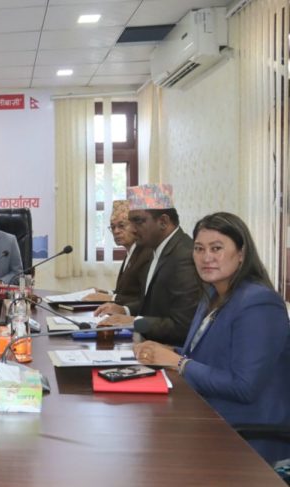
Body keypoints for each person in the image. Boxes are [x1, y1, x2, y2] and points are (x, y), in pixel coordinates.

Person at [134, 212, 290, 465]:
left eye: (216, 248)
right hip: (208, 415)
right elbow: (209, 357)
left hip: (248, 434)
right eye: (199, 249)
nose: (206, 257)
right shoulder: (212, 294)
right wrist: (166, 351)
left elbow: (244, 386)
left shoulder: (259, 303)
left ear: (241, 253)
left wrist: (177, 362)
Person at [96, 184, 200, 346]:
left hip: (167, 353)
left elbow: (182, 326)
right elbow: (153, 303)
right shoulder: (156, 248)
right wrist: (125, 310)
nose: (133, 229)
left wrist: (134, 321)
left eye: (138, 221)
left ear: (163, 222)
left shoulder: (184, 256)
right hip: (148, 346)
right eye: (131, 222)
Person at [83, 200, 152, 305]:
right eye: (113, 227)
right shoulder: (130, 252)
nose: (116, 231)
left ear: (135, 227)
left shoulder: (146, 254)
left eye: (121, 225)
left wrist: (110, 298)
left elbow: (143, 299)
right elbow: (125, 292)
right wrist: (104, 293)